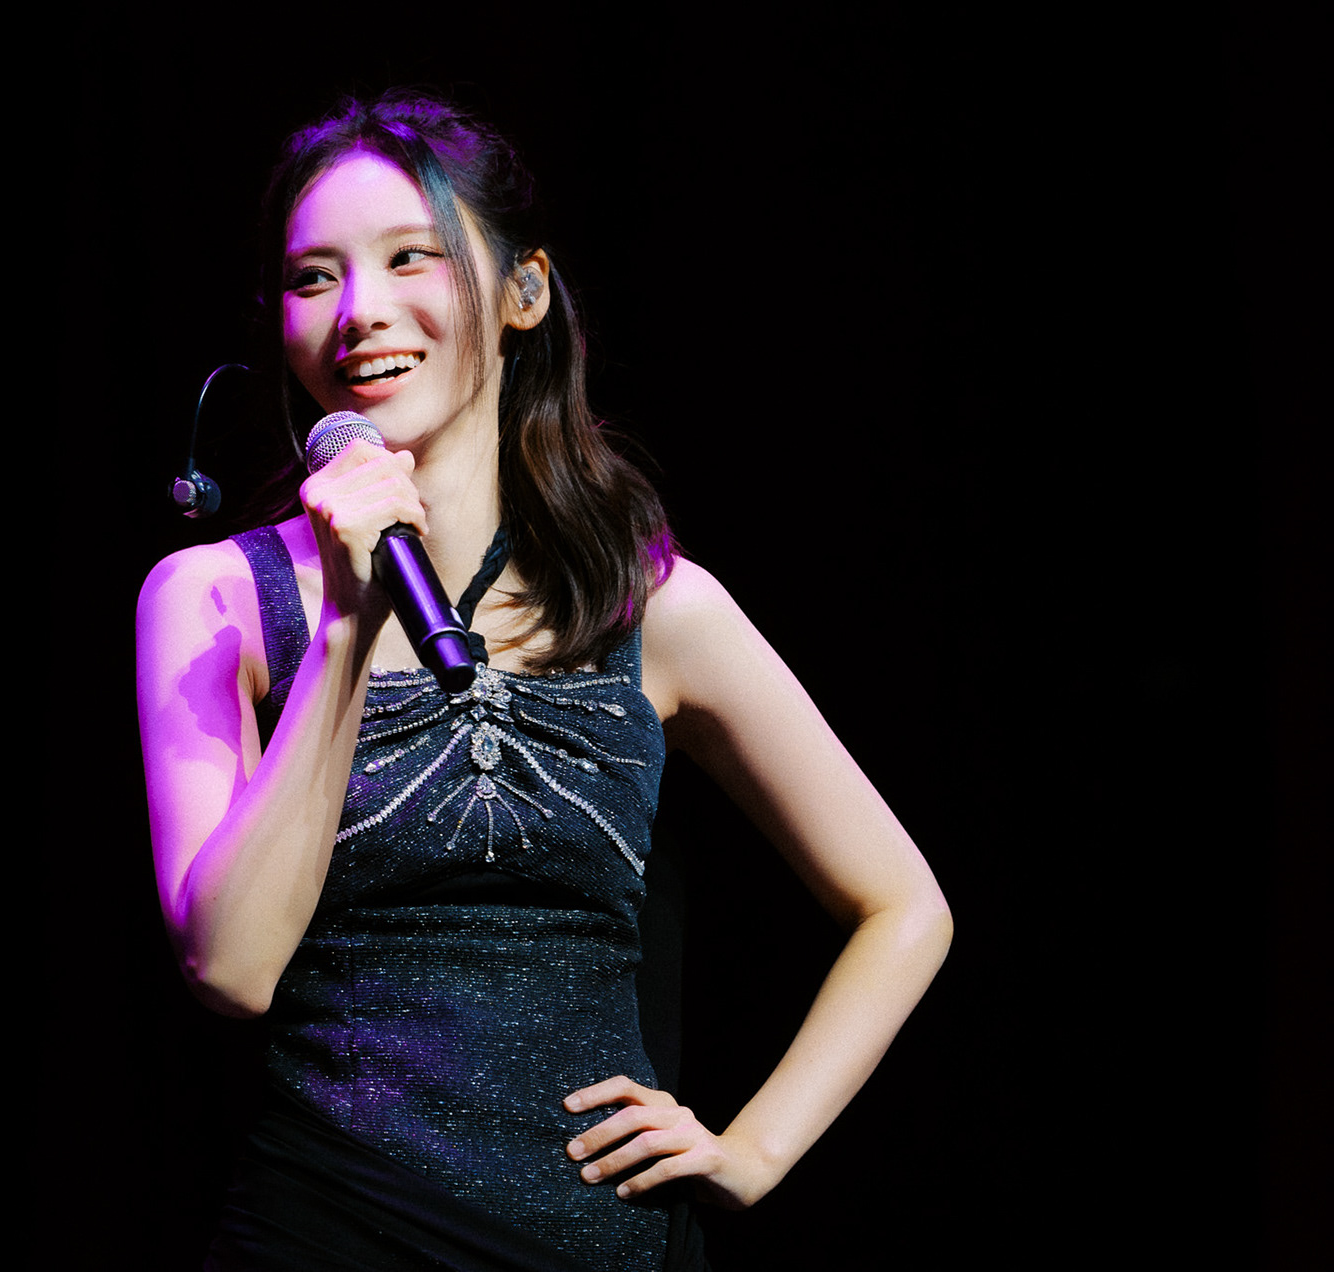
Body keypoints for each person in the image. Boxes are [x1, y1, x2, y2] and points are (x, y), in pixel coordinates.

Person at [136, 89, 952, 1272]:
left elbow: (905, 905)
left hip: (599, 1242)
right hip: (327, 1228)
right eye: (315, 277)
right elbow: (231, 965)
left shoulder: (652, 604)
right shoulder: (214, 597)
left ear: (523, 292)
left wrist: (755, 1147)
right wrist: (350, 627)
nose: (360, 311)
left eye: (410, 257)